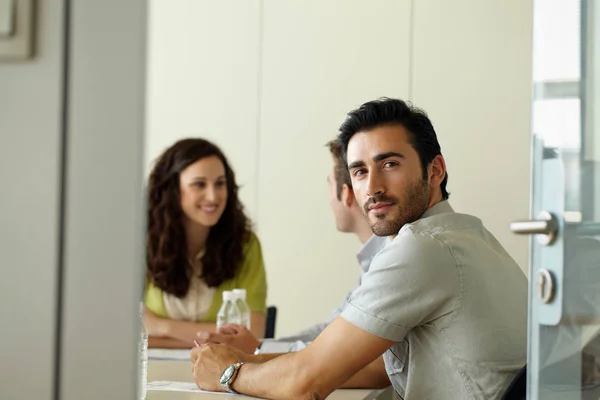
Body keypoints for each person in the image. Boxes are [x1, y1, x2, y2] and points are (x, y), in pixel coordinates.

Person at [190, 98, 528, 399]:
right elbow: (375, 367)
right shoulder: (467, 235)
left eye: (390, 164)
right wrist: (248, 361)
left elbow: (305, 384)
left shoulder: (423, 248)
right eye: (360, 171)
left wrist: (227, 374)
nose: (373, 187)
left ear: (435, 170)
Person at [195, 140, 387, 358]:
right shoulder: (373, 260)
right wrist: (257, 346)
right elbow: (330, 331)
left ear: (346, 193)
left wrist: (258, 349)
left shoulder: (386, 263)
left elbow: (347, 349)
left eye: (329, 184)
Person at [143, 138, 267, 348]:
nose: (213, 196)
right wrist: (215, 337)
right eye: (199, 184)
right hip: (154, 374)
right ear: (173, 189)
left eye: (220, 183)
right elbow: (129, 336)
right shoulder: (142, 243)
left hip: (221, 373)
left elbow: (251, 335)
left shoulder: (245, 245)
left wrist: (161, 327)